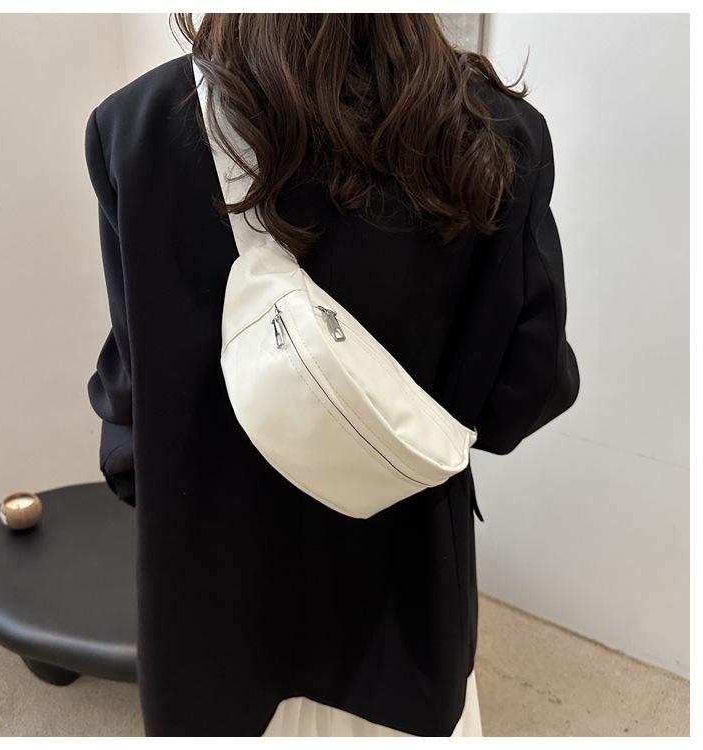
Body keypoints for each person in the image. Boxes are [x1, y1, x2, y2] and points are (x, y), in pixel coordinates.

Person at [84, 13, 579, 737]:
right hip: (403, 605)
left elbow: (130, 405)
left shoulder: (135, 126)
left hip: (213, 611)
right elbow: (523, 396)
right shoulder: (494, 133)